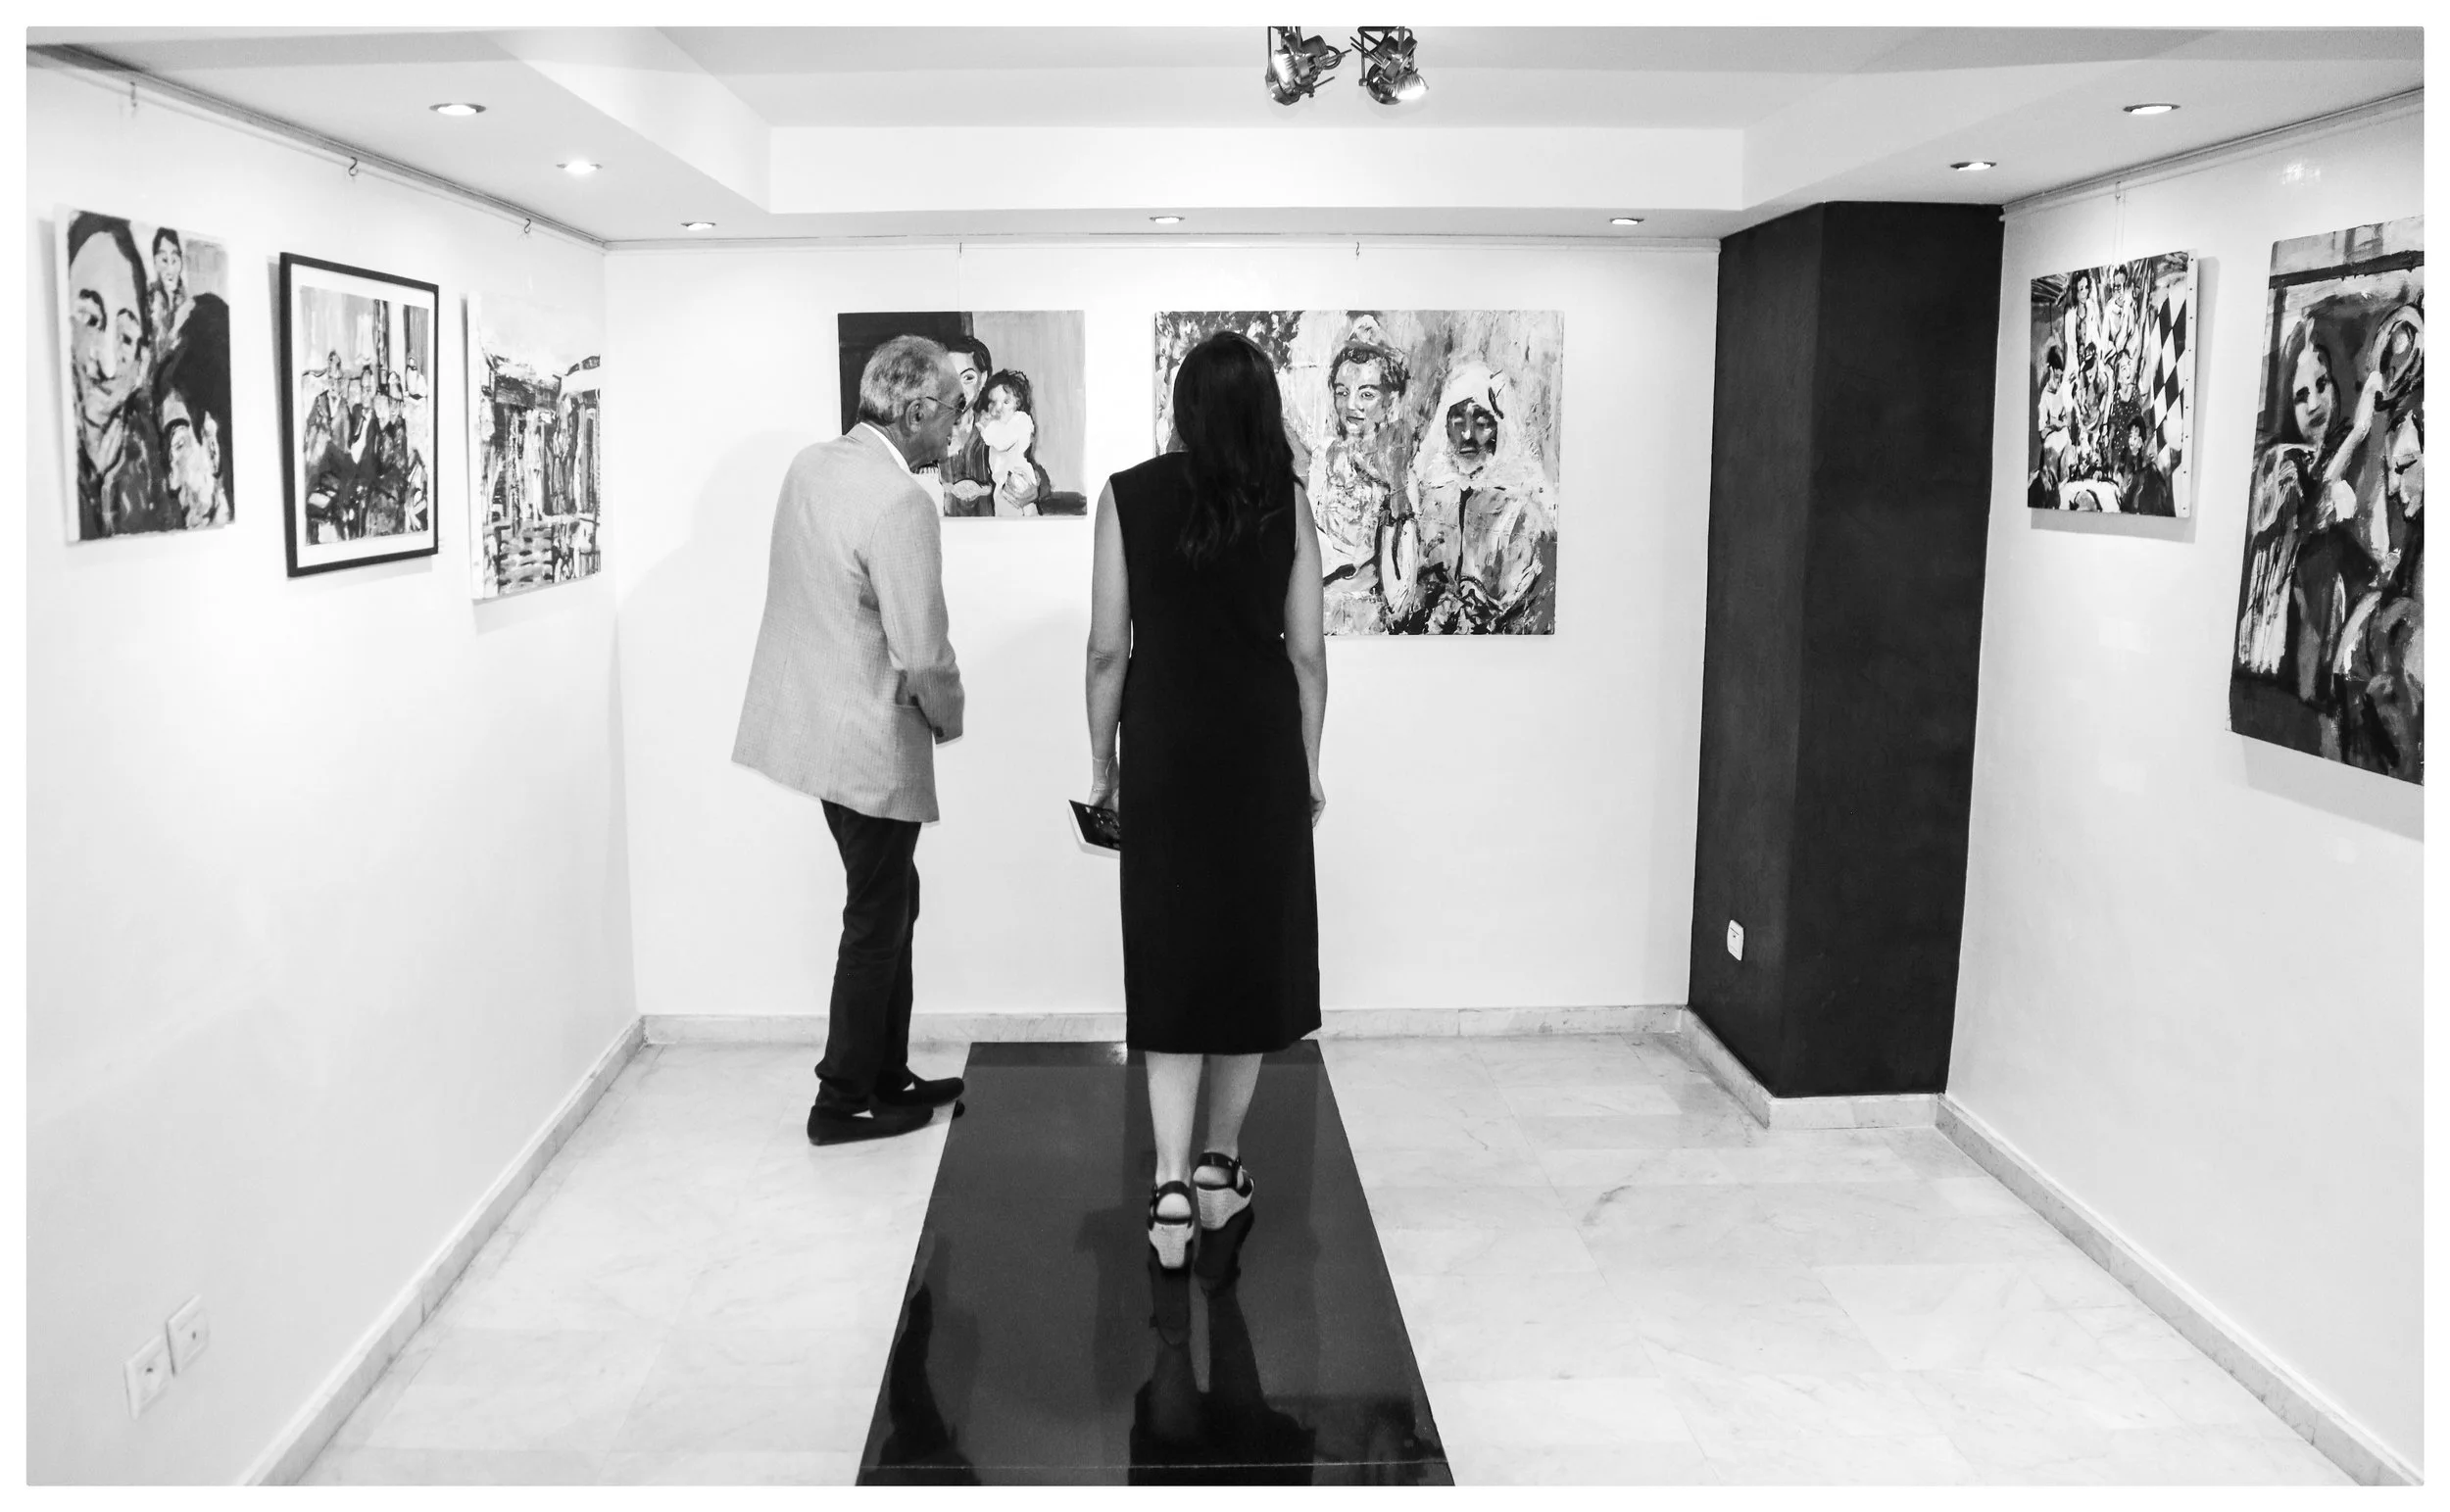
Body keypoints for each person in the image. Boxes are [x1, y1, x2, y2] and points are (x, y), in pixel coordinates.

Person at [1085, 329, 1328, 1269]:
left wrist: (1104, 765)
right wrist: (1309, 765)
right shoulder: (1286, 501)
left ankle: (1170, 1188)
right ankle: (1221, 1170)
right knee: (1249, 957)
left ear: (1182, 406)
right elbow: (1306, 653)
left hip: (1167, 752)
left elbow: (1107, 650)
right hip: (1260, 754)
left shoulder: (1128, 495)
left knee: (1173, 954)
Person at [735, 334, 970, 1146]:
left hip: (811, 729)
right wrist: (950, 714)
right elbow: (923, 652)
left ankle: (884, 1072)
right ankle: (841, 1101)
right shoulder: (901, 502)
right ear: (916, 409)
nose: (959, 425)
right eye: (954, 408)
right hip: (866, 740)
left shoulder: (812, 464)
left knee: (893, 901)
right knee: (877, 916)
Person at [1401, 360, 1557, 634]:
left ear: (1499, 428)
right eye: (1457, 420)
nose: (1467, 435)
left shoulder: (1522, 510)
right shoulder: (1428, 501)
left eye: (1481, 422)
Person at [66, 212, 170, 539]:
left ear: (142, 360)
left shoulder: (159, 473)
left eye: (125, 337)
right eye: (89, 319)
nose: (107, 365)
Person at [1310, 326, 1414, 634]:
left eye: (1366, 394)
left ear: (1390, 400)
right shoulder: (1324, 457)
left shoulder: (1399, 471)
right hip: (1316, 605)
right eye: (1342, 392)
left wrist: (1395, 486)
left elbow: (1400, 596)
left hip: (1368, 615)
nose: (1351, 404)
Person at [975, 369, 1051, 517]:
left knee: (1023, 511)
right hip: (1001, 483)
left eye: (1006, 402)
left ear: (1018, 403)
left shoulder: (1020, 420)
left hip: (1018, 477)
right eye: (993, 402)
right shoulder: (996, 425)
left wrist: (985, 428)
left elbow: (1001, 442)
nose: (998, 408)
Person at [940, 334, 999, 517]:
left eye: (968, 378)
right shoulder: (926, 434)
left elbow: (1024, 467)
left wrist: (1032, 486)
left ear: (983, 379)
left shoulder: (994, 430)